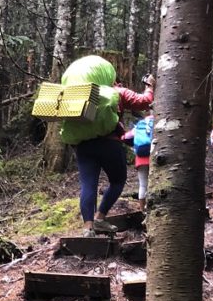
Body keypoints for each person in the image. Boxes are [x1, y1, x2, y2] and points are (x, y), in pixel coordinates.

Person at [60, 56, 154, 236]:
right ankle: (100, 218)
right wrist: (149, 86)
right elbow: (144, 102)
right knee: (117, 181)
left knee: (88, 185)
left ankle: (88, 228)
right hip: (109, 144)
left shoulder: (76, 96)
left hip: (83, 146)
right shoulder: (116, 91)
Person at [122, 114, 154, 211]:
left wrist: (134, 145)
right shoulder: (159, 123)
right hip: (155, 156)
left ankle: (143, 211)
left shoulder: (141, 124)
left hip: (141, 158)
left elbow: (125, 137)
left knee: (143, 185)